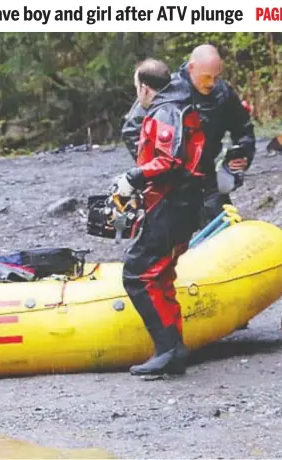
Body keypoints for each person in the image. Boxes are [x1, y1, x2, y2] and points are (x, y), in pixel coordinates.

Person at [113, 58, 207, 376]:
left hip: (174, 203)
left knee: (138, 274)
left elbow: (172, 160)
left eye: (136, 87)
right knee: (160, 274)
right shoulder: (179, 102)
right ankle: (172, 348)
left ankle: (168, 348)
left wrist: (135, 176)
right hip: (178, 202)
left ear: (144, 87)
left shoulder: (166, 111)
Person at [121, 45, 256, 227]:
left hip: (207, 178)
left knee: (225, 227)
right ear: (192, 67)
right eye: (207, 77)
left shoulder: (223, 93)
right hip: (172, 183)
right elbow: (132, 130)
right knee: (168, 238)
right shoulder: (167, 90)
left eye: (216, 77)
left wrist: (242, 155)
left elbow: (244, 129)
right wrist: (152, 170)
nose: (211, 83)